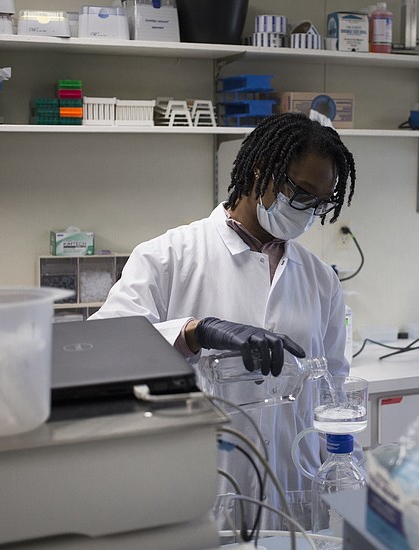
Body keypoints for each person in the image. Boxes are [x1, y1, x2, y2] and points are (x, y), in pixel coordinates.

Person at [90, 112, 356, 530]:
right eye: (301, 195)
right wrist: (193, 332)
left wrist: (345, 491)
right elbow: (104, 350)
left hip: (295, 495)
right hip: (200, 488)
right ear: (261, 171)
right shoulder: (167, 257)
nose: (308, 213)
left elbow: (333, 389)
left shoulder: (321, 279)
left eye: (320, 204)